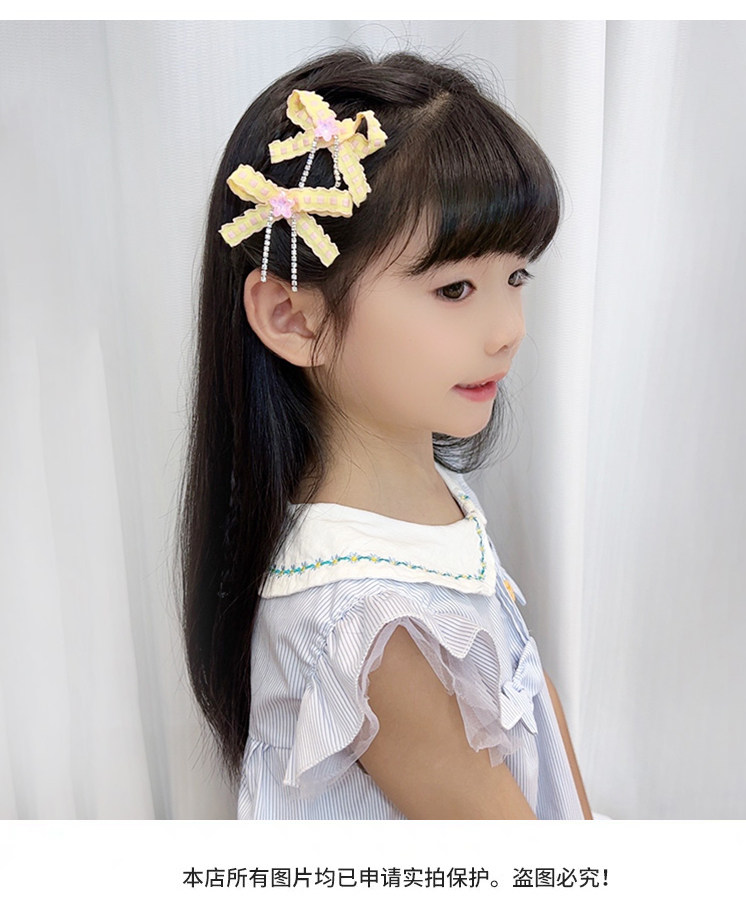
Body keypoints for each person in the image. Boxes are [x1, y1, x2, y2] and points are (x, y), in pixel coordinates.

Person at [181, 48, 593, 820]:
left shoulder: (422, 507)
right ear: (293, 317)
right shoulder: (362, 619)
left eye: (516, 276)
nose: (507, 329)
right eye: (455, 288)